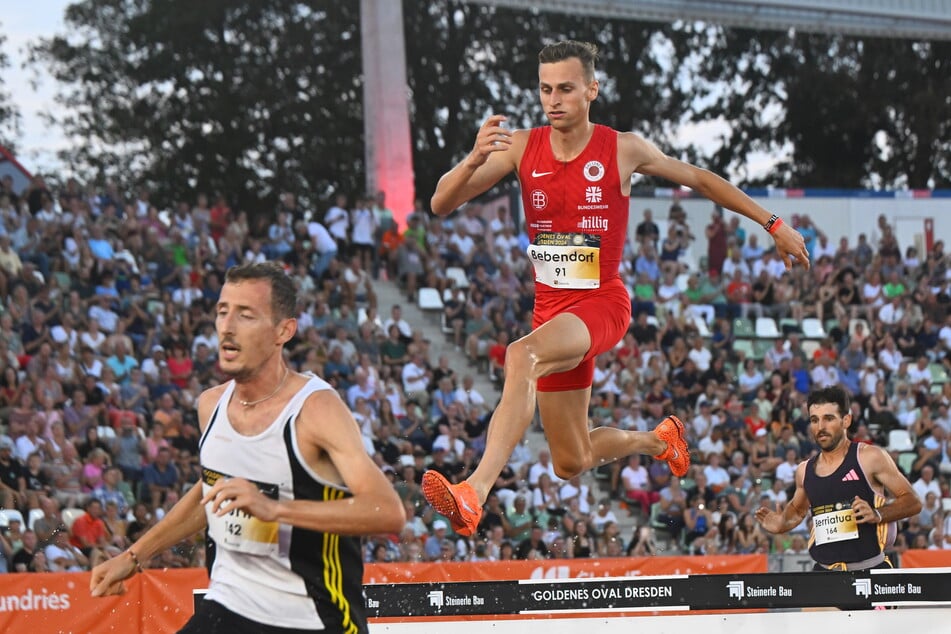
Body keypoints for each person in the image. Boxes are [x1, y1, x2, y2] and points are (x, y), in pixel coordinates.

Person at [422, 40, 809, 536]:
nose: (553, 100)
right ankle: (657, 441)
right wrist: (473, 160)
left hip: (601, 303)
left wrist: (772, 223)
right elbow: (440, 202)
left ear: (591, 89)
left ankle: (473, 490)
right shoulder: (521, 147)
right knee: (571, 459)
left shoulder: (622, 149)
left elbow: (700, 179)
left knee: (520, 357)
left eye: (565, 88)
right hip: (552, 314)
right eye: (545, 90)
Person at [90, 262, 405, 634]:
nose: (227, 326)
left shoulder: (315, 409)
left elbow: (387, 511)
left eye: (246, 315)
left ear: (283, 331)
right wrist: (134, 556)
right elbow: (211, 490)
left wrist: (274, 509)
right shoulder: (210, 405)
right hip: (228, 604)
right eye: (222, 312)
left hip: (311, 618)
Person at [755, 385, 921, 570]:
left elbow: (913, 501)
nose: (821, 427)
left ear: (846, 420)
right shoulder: (804, 470)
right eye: (814, 420)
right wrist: (781, 523)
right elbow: (797, 510)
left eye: (828, 419)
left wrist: (878, 514)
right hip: (825, 575)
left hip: (870, 571)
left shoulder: (869, 457)